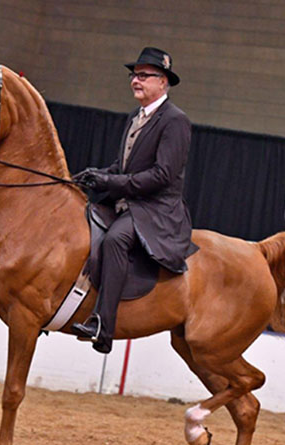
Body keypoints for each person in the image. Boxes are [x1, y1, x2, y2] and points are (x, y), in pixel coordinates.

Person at [70, 47, 196, 353]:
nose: (135, 81)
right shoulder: (136, 116)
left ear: (163, 81)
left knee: (114, 239)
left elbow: (162, 175)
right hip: (129, 202)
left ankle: (103, 325)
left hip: (156, 210)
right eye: (133, 75)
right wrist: (97, 174)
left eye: (143, 75)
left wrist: (111, 181)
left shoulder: (175, 121)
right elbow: (124, 167)